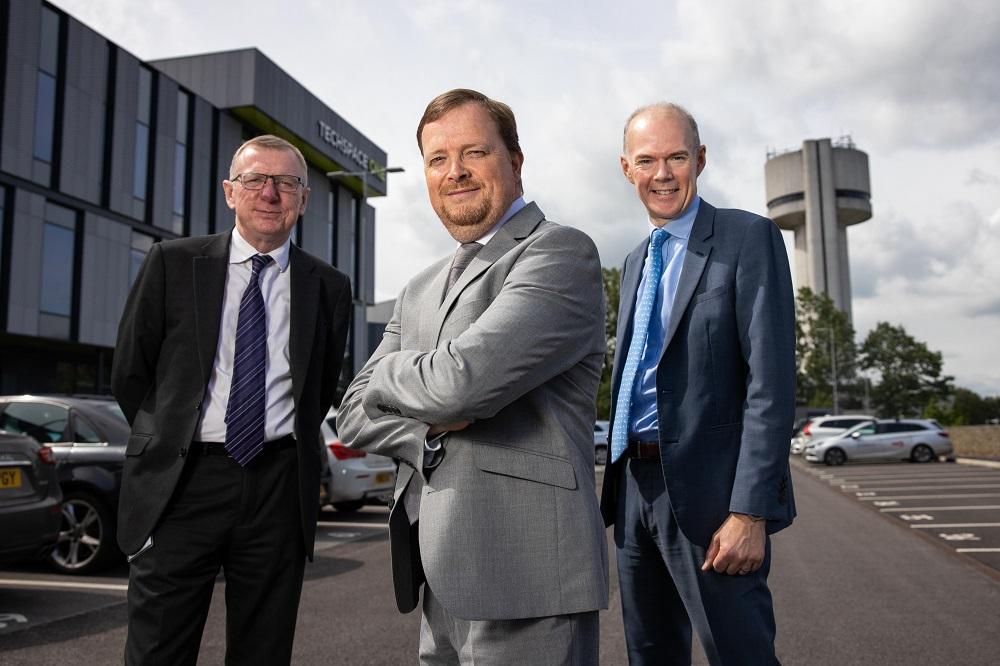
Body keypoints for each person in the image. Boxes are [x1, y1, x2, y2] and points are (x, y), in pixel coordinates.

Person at [337, 89, 608, 665]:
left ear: (515, 161)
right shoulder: (418, 288)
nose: (454, 172)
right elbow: (354, 410)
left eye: (474, 153)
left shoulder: (558, 253)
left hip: (528, 573)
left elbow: (462, 384)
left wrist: (389, 371)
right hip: (438, 571)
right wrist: (426, 434)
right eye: (437, 159)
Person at [112, 134, 352, 665]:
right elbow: (131, 372)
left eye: (286, 182)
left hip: (278, 487)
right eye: (254, 180)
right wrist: (169, 439)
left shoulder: (329, 286)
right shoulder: (172, 263)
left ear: (304, 198)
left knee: (263, 651)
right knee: (158, 649)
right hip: (181, 483)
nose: (270, 192)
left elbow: (319, 388)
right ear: (229, 192)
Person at [600, 103, 796, 665]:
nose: (662, 174)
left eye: (677, 157)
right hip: (634, 488)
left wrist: (750, 512)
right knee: (651, 656)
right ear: (625, 168)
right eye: (647, 160)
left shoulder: (747, 238)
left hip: (715, 498)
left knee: (741, 657)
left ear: (700, 159)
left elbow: (771, 385)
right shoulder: (636, 259)